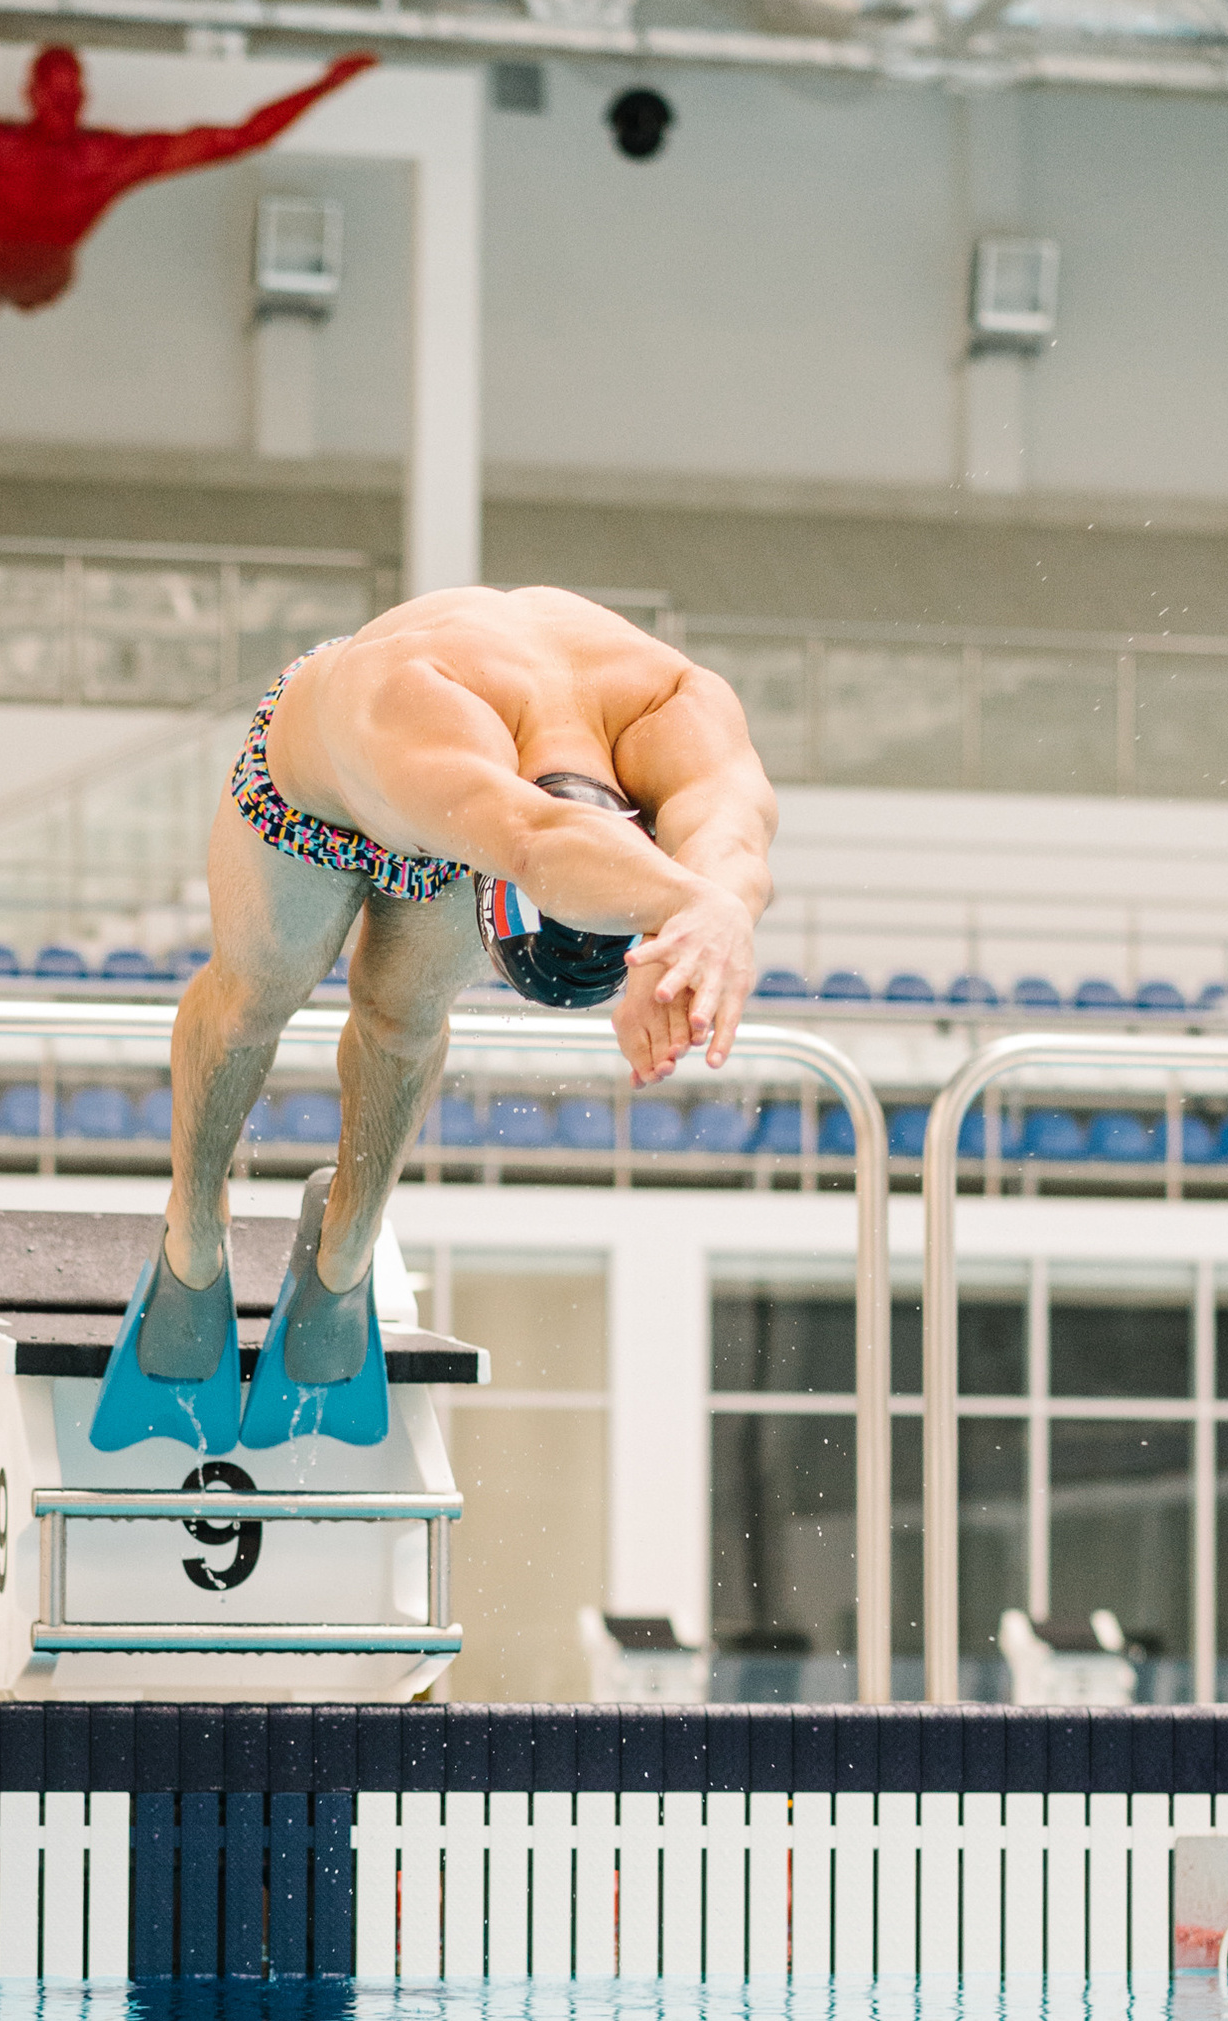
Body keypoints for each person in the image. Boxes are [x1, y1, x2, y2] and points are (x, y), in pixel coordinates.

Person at [93, 585, 778, 1454]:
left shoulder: (679, 710)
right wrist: (686, 904)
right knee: (255, 997)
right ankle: (193, 1233)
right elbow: (538, 841)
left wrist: (692, 928)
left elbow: (731, 845)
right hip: (322, 795)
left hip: (492, 823)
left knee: (404, 1017)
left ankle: (345, 1252)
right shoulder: (418, 709)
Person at [0, 8, 376, 319]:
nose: (61, 85)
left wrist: (332, 81)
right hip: (19, 215)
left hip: (22, 219)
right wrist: (328, 82)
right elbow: (243, 137)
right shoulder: (90, 162)